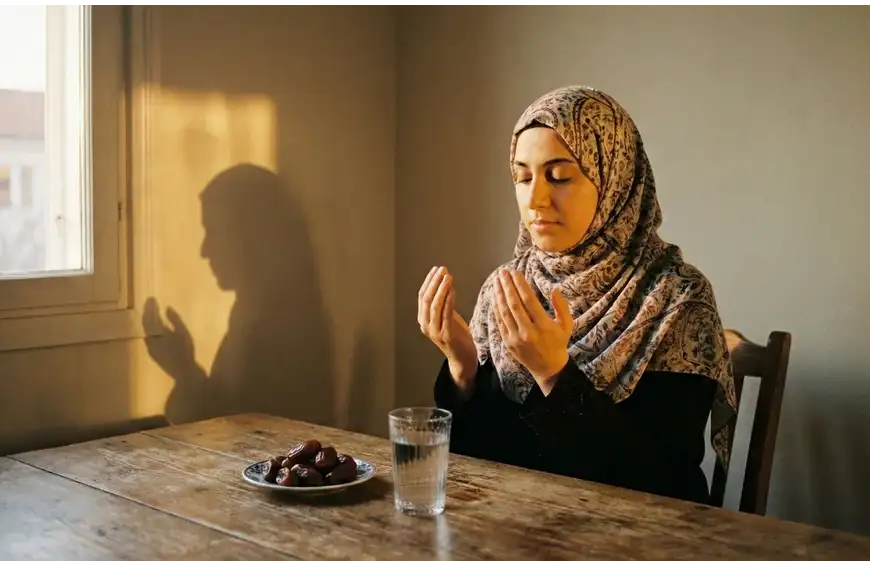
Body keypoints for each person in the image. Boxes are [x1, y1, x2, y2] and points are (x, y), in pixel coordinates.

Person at [418, 86, 738, 504]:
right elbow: (481, 460)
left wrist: (554, 375)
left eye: (559, 176)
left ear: (615, 179)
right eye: (522, 176)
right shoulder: (509, 286)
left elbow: (666, 484)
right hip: (512, 534)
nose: (535, 198)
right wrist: (462, 371)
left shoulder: (675, 299)